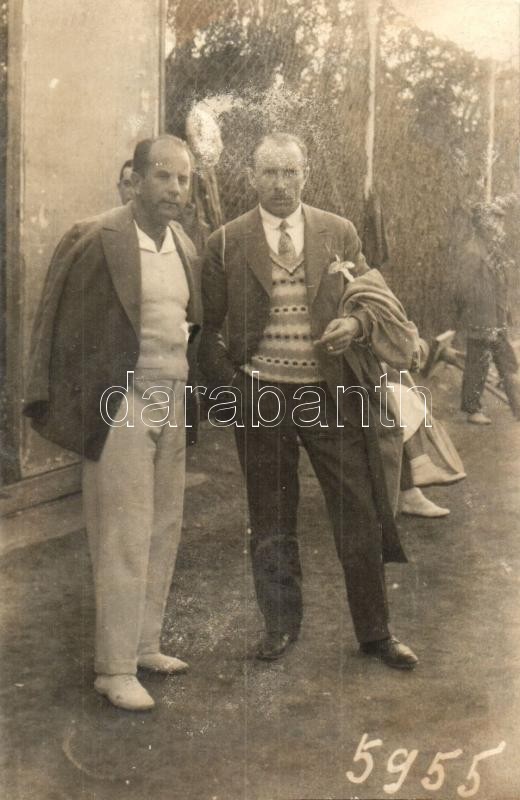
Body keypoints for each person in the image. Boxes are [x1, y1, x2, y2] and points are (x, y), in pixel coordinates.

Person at [199, 132, 420, 670]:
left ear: (306, 175)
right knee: (271, 514)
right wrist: (235, 390)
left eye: (289, 172)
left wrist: (356, 322)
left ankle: (375, 633)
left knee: (359, 511)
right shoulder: (225, 242)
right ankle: (279, 628)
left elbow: (378, 303)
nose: (279, 184)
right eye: (269, 172)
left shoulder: (338, 232)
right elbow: (205, 333)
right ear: (251, 177)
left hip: (331, 394)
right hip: (261, 397)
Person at [24, 135, 201, 711]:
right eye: (164, 177)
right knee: (123, 530)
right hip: (120, 399)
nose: (174, 189)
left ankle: (144, 645)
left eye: (183, 179)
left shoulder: (185, 247)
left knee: (163, 524)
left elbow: (190, 326)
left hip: (171, 395)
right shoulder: (96, 237)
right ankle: (113, 668)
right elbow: (57, 326)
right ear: (137, 178)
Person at [456, 199, 519, 425]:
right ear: (484, 224)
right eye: (496, 221)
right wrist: (476, 317)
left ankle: (517, 407)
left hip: (495, 317)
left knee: (508, 362)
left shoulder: (492, 250)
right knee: (478, 363)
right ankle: (473, 410)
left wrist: (505, 312)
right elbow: (463, 289)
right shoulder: (473, 251)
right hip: (482, 319)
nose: (500, 227)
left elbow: (501, 283)